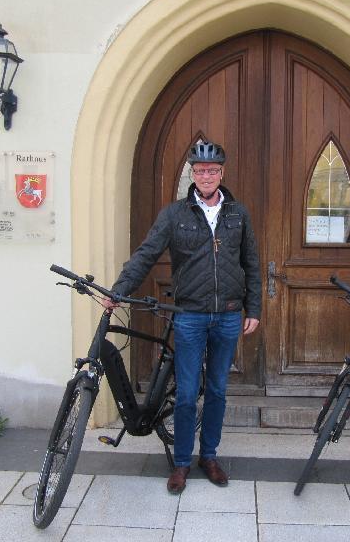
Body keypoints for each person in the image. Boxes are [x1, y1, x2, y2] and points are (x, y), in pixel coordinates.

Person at [105, 137, 261, 495]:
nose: (207, 175)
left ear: (222, 173)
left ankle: (209, 455)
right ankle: (180, 463)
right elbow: (146, 254)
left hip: (228, 315)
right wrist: (119, 290)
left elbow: (250, 262)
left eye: (213, 170)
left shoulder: (238, 213)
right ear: (193, 173)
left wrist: (254, 308)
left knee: (218, 391)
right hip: (189, 315)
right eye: (200, 170)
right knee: (188, 394)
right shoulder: (174, 214)